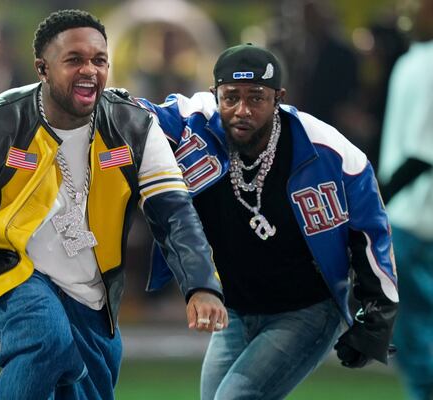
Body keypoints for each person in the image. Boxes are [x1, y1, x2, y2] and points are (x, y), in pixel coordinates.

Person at [0, 9, 227, 400]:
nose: (89, 70)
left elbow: (175, 215)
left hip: (91, 288)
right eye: (74, 60)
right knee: (46, 336)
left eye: (99, 60)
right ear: (42, 68)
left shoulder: (136, 127)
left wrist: (201, 284)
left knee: (89, 385)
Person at [134, 44, 398, 399]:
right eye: (231, 97)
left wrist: (376, 317)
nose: (242, 110)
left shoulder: (327, 149)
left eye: (256, 98)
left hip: (306, 311)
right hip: (237, 308)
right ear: (216, 95)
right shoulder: (194, 123)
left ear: (279, 98)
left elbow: (370, 230)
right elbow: (133, 115)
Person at [378, 0, 433, 398]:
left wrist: (375, 202)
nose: (412, 10)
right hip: (409, 218)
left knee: (417, 342)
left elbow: (421, 152)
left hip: (416, 219)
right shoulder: (413, 60)